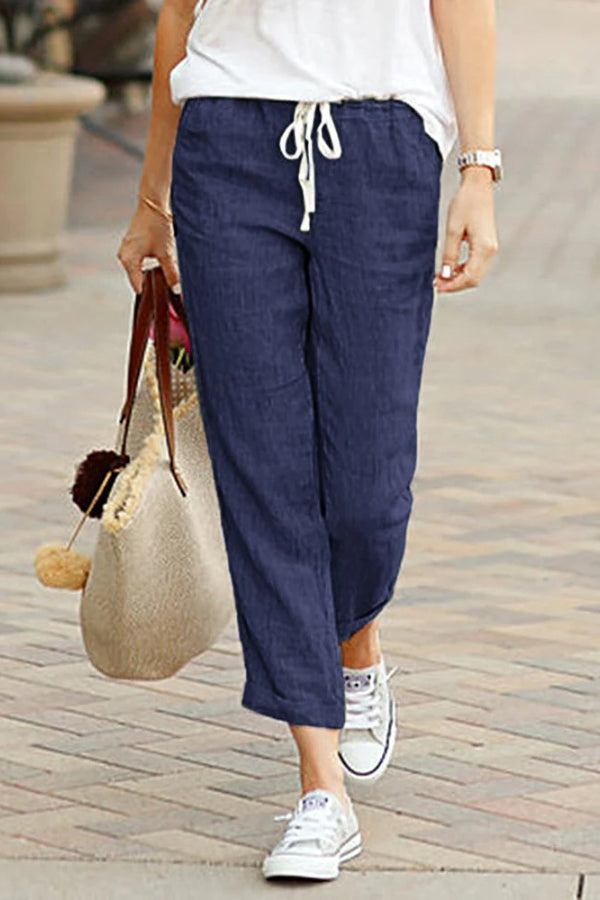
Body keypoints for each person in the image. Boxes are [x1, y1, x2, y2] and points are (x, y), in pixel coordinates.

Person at [118, 0, 500, 882]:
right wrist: (152, 200)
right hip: (227, 140)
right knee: (263, 466)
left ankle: (354, 639)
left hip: (381, 142)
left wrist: (478, 170)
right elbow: (179, 13)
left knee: (367, 490)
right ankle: (319, 786)